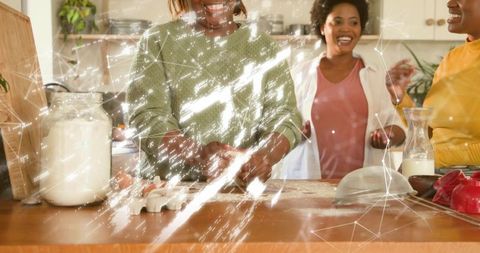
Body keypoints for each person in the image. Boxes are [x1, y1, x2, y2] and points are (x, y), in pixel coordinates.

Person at [126, 0, 302, 184]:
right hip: (167, 195)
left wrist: (264, 155)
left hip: (242, 196)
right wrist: (197, 154)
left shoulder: (264, 46)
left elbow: (285, 117)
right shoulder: (156, 41)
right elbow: (146, 117)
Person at [282, 0, 407, 179]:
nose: (346, 29)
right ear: (322, 27)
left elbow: (398, 128)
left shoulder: (374, 75)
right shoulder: (299, 74)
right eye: (338, 21)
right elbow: (279, 126)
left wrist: (388, 135)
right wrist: (294, 132)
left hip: (366, 189)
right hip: (308, 188)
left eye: (354, 22)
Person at [387, 0, 480, 168]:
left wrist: (434, 158)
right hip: (436, 177)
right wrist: (400, 97)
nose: (450, 3)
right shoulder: (452, 58)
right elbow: (427, 133)